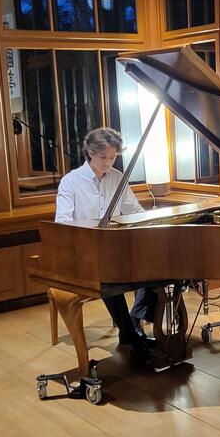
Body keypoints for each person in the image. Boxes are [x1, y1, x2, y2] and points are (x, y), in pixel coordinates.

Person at [55, 127, 157, 350]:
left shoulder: (117, 178)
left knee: (156, 267)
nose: (108, 163)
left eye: (113, 158)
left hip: (115, 249)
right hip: (84, 253)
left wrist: (152, 222)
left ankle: (133, 322)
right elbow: (62, 223)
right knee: (107, 274)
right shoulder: (71, 182)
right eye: (103, 157)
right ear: (90, 153)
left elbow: (133, 210)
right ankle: (129, 333)